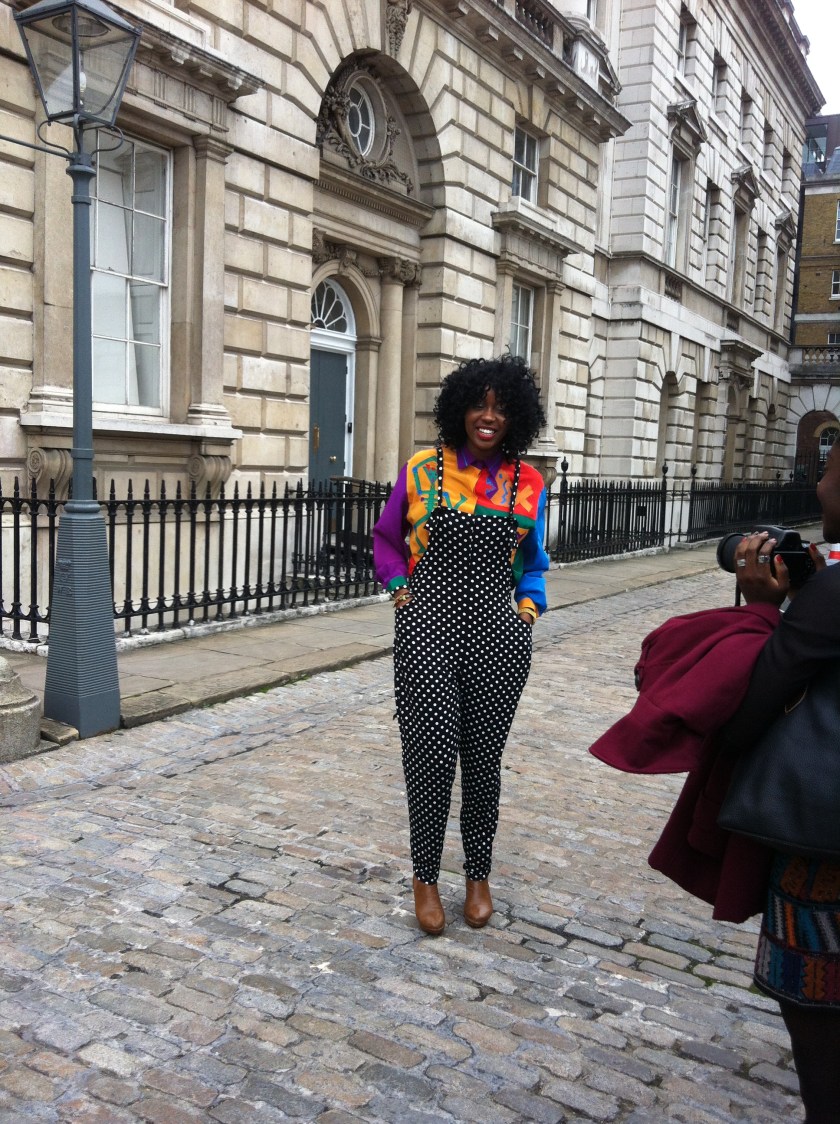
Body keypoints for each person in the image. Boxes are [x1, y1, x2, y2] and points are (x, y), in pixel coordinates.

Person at [372, 354, 549, 936]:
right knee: (428, 755)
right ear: (460, 410)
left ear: (515, 417)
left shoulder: (528, 483)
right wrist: (400, 591)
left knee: (482, 760)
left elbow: (533, 563)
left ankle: (477, 875)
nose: (489, 417)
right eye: (479, 404)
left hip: (499, 637)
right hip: (427, 631)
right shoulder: (424, 469)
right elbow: (387, 539)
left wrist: (527, 608)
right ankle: (425, 876)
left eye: (501, 408)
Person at [721, 440, 840, 1124]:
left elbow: (746, 715)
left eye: (829, 470)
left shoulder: (833, 594)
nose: (819, 487)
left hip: (824, 854)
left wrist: (768, 608)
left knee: (822, 1033)